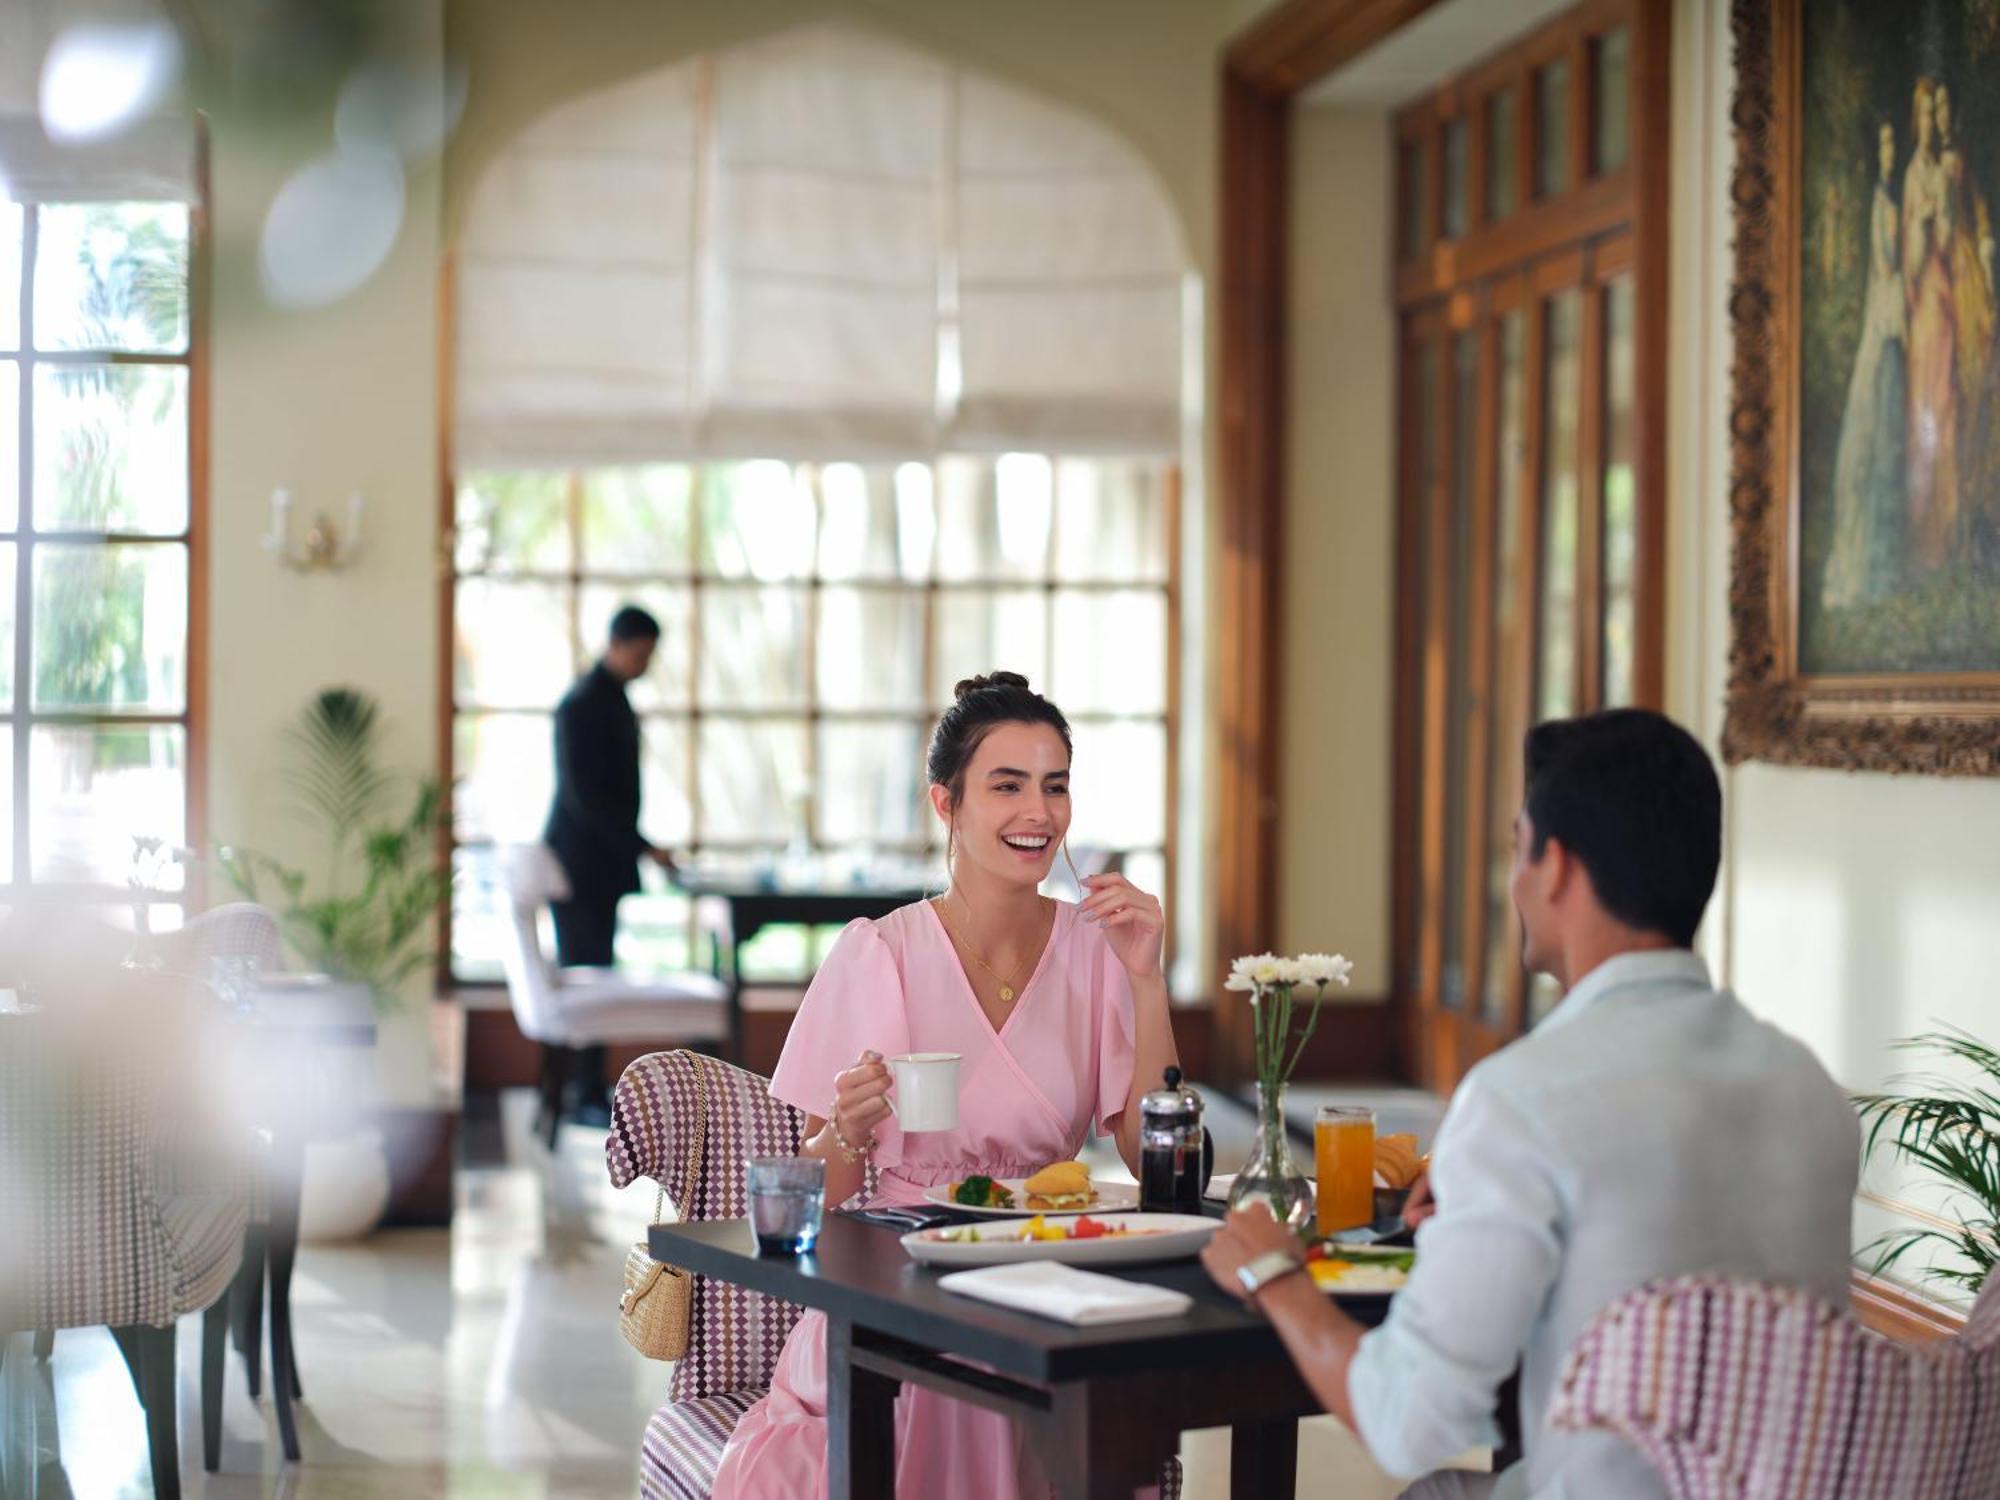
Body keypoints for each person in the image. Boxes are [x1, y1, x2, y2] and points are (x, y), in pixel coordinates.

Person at [1200, 709, 1860, 1500]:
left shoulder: (1523, 1101)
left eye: (1516, 847)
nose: (1511, 880)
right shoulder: (1808, 1085)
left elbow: (1411, 1423)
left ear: (1556, 868)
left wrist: (1273, 1269)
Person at [712, 672, 1178, 1500]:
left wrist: (1147, 981)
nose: (1038, 812)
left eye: (1055, 786)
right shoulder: (879, 953)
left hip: (1037, 1270)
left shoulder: (1098, 950)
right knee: (954, 1383)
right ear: (946, 804)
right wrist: (849, 1129)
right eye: (1007, 786)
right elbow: (820, 1192)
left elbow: (1155, 1163)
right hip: (898, 1284)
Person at [542, 605, 677, 1119]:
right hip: (580, 863)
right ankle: (580, 1092)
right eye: (641, 653)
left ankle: (587, 1088)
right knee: (585, 976)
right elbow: (586, 799)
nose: (645, 664)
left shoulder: (613, 698)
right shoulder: (580, 704)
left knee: (596, 966)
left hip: (603, 861)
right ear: (617, 644)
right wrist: (643, 845)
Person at [1823, 118, 1908, 608]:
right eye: (1885, 144)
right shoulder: (1881, 203)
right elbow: (1887, 267)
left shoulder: (1894, 193)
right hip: (1886, 318)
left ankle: (1886, 557)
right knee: (1872, 431)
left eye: (1893, 141)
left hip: (1893, 315)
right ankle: (1866, 561)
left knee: (1889, 433)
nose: (1890, 151)